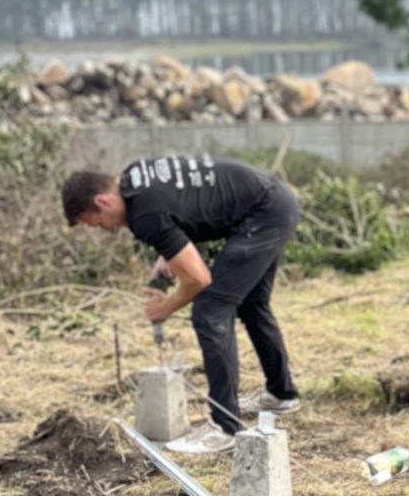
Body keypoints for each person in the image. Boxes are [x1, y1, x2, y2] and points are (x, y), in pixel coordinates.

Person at [63, 154, 301, 455]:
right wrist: (169, 257)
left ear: (103, 201)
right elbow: (181, 207)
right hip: (273, 203)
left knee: (210, 310)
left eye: (97, 224)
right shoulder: (134, 177)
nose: (104, 229)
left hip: (263, 214)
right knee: (252, 304)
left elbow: (199, 278)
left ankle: (224, 427)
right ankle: (282, 394)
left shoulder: (144, 214)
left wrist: (168, 306)